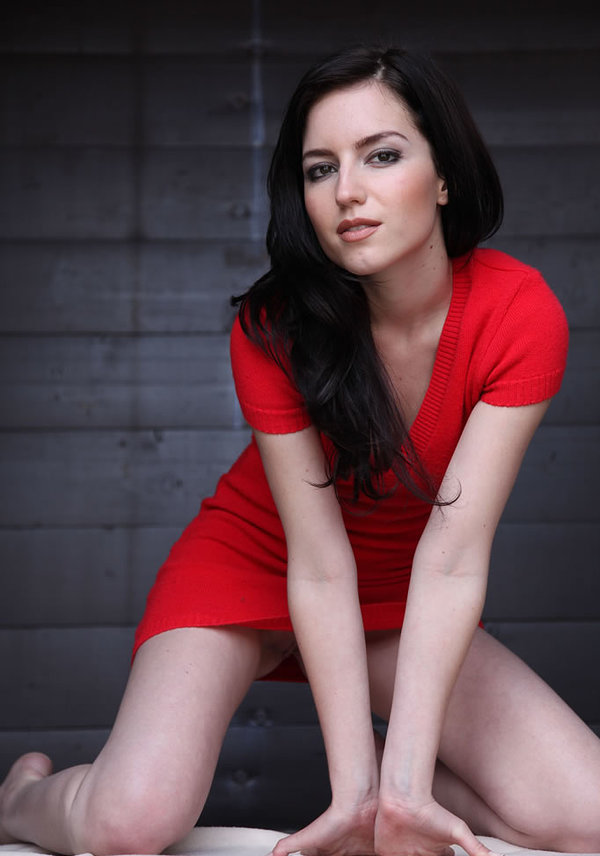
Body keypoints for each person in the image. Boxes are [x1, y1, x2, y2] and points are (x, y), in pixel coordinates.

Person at [1, 44, 599, 856]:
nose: (347, 191)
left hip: (401, 592)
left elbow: (455, 557)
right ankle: (24, 800)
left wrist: (401, 792)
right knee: (127, 824)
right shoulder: (273, 325)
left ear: (445, 175)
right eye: (321, 169)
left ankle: (405, 792)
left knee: (588, 813)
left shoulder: (519, 313)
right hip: (254, 561)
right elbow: (316, 563)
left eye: (381, 156)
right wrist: (351, 796)